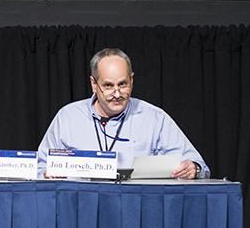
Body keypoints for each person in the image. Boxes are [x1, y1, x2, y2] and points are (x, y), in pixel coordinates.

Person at [37, 48, 209, 179]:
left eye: (123, 84)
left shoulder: (155, 118)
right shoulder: (68, 117)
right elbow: (40, 167)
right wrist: (47, 175)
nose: (117, 93)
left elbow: (200, 166)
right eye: (108, 86)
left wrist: (194, 168)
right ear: (93, 84)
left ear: (132, 80)